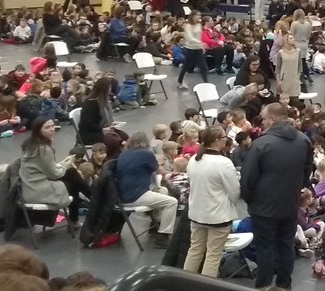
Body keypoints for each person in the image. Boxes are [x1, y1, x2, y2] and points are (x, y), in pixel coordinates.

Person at [240, 103, 312, 291]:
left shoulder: (261, 144)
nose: (262, 122)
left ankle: (263, 286)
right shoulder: (303, 140)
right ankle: (284, 285)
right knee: (286, 245)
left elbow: (248, 178)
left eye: (264, 119)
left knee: (265, 248)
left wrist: (252, 200)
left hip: (263, 207)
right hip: (290, 205)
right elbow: (306, 171)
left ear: (271, 119)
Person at [183, 125, 240, 278]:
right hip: (218, 215)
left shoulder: (194, 159)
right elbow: (234, 192)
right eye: (224, 137)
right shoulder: (223, 163)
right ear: (216, 141)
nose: (226, 140)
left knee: (194, 250)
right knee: (213, 256)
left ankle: (184, 285)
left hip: (196, 213)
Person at [20, 117, 90, 226]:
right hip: (38, 190)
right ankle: (95, 201)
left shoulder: (31, 144)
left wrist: (63, 164)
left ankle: (89, 205)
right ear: (38, 130)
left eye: (52, 126)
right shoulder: (43, 149)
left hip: (30, 187)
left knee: (72, 174)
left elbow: (46, 169)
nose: (52, 129)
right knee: (73, 180)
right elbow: (54, 174)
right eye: (47, 127)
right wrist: (65, 165)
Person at [115, 132, 178, 247]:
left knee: (162, 190)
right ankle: (163, 236)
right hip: (136, 196)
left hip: (123, 195)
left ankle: (157, 224)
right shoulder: (146, 154)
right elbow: (159, 170)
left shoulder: (123, 154)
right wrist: (172, 175)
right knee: (172, 202)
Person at [177, 13, 208, 90]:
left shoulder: (199, 25)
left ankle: (206, 84)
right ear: (193, 17)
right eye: (197, 16)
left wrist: (201, 46)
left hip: (198, 49)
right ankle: (180, 81)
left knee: (203, 67)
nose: (199, 17)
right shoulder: (188, 26)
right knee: (186, 66)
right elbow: (190, 38)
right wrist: (200, 43)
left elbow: (199, 36)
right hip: (189, 49)